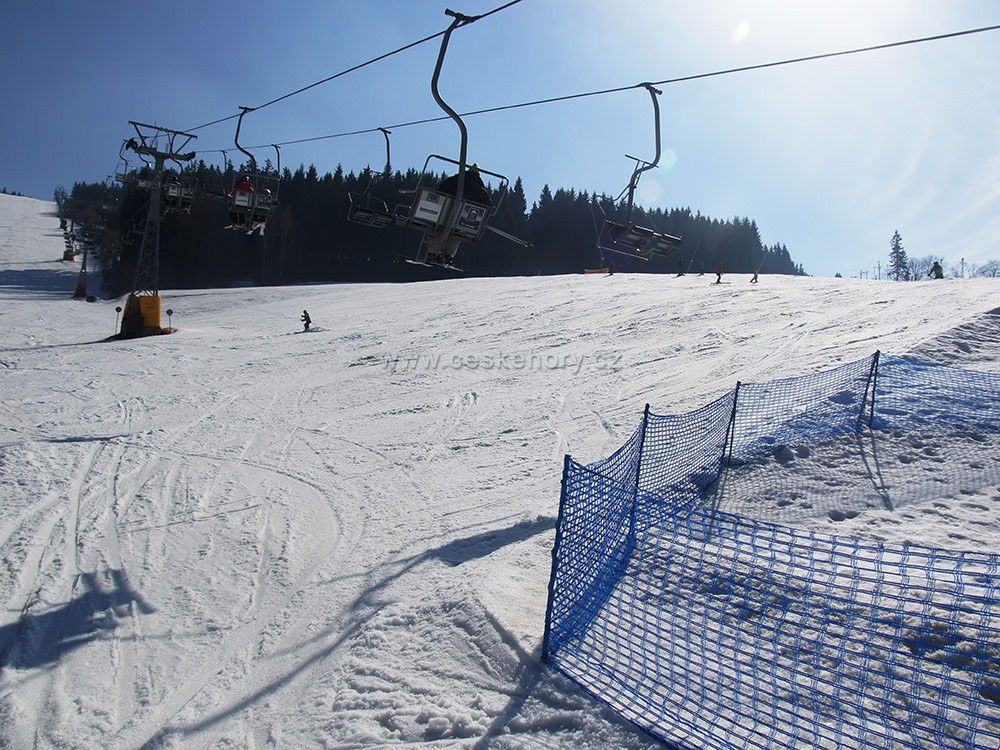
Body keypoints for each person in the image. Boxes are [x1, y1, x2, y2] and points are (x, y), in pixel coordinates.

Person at [426, 164, 492, 266]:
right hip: (464, 218)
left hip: (445, 214)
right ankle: (448, 256)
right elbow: (487, 204)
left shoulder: (454, 180)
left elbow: (440, 190)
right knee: (458, 234)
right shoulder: (479, 188)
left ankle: (432, 254)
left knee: (440, 230)